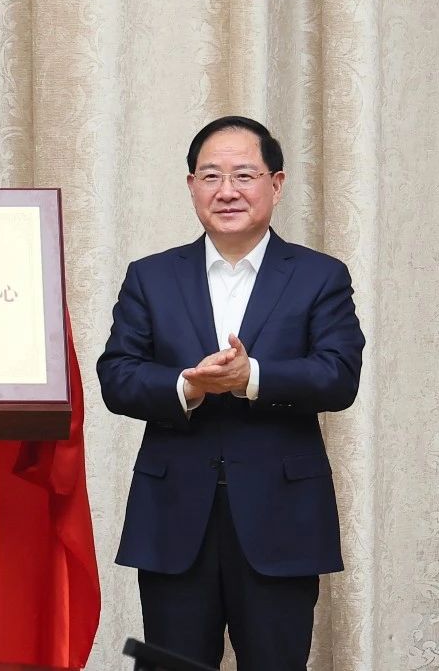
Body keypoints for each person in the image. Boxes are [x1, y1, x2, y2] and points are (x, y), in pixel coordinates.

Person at [96, 116, 364, 670]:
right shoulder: (151, 276)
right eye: (211, 176)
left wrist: (251, 378)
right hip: (174, 516)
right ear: (191, 185)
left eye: (244, 175)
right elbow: (117, 375)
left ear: (276, 184)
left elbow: (339, 375)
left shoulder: (320, 276)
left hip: (281, 516)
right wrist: (186, 385)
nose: (227, 191)